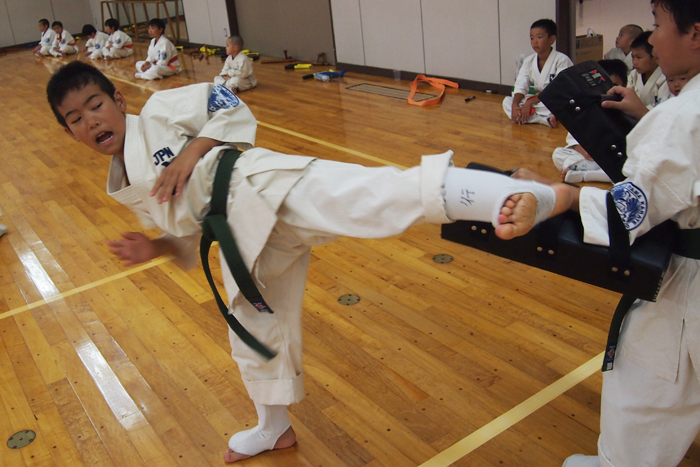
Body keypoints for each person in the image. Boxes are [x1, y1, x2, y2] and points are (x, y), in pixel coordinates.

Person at [46, 61, 562, 463]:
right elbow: (186, 228)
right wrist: (156, 248)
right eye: (75, 119)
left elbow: (227, 102)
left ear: (118, 100)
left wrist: (191, 152)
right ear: (69, 133)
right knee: (251, 330)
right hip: (240, 236)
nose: (91, 121)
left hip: (258, 185)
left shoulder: (160, 109)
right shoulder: (124, 183)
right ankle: (273, 427)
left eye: (96, 105)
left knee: (366, 195)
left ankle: (507, 189)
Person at [516, 1, 700, 465]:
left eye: (658, 26)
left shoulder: (685, 115)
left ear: (695, 34)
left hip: (690, 288)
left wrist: (561, 196)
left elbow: (629, 212)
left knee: (643, 388)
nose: (652, 39)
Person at [552, 59, 628, 184]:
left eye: (614, 86)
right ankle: (597, 171)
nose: (609, 92)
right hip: (591, 157)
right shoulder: (590, 107)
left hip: (615, 156)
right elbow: (573, 137)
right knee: (558, 154)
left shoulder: (626, 108)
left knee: (628, 168)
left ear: (624, 86)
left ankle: (585, 174)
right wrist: (584, 151)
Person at [502, 19, 573, 128]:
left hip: (557, 99)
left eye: (539, 37)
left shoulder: (562, 60)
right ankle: (544, 120)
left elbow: (557, 89)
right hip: (540, 100)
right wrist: (515, 106)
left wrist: (529, 103)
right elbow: (521, 86)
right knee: (507, 102)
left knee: (556, 105)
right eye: (532, 38)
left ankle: (534, 116)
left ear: (551, 39)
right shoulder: (529, 61)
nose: (535, 42)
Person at [627, 30, 671, 108]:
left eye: (639, 57)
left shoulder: (665, 77)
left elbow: (663, 106)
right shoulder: (633, 75)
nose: (634, 62)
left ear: (655, 56)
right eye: (633, 57)